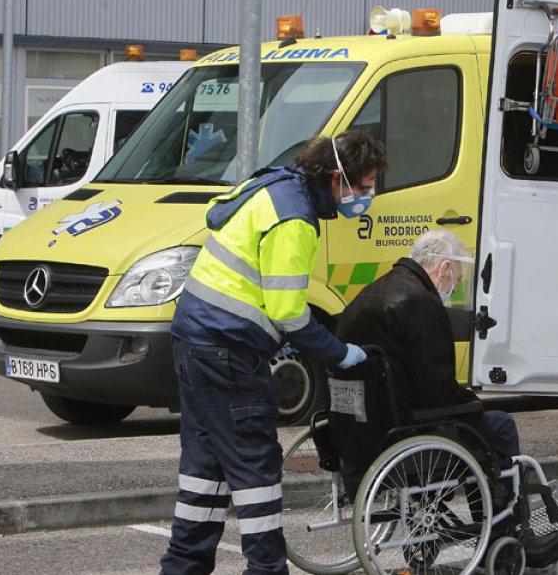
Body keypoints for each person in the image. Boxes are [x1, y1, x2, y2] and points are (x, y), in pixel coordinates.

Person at [160, 130, 388, 575]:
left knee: (205, 467)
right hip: (228, 349)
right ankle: (267, 570)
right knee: (255, 467)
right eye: (363, 185)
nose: (366, 195)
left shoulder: (273, 185)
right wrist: (339, 353)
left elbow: (218, 220)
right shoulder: (296, 218)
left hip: (194, 337)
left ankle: (183, 566)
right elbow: (289, 312)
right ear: (337, 176)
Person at [336, 229, 520, 460]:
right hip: (403, 430)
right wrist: (473, 404)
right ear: (444, 268)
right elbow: (437, 389)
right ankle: (500, 496)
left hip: (357, 429)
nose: (453, 288)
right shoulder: (420, 303)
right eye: (457, 279)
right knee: (500, 425)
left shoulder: (369, 293)